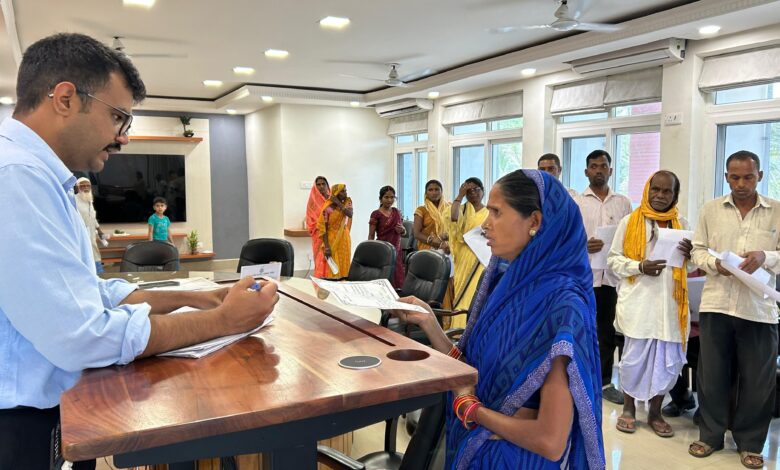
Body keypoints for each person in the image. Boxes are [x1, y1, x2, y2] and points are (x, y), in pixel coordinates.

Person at [0, 33, 279, 470]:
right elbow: (83, 336)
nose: (123, 138)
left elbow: (88, 292)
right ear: (65, 99)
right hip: (16, 428)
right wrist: (224, 321)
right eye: (118, 118)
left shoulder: (42, 178)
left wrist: (197, 298)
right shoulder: (15, 177)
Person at [390, 170, 605, 469]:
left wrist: (472, 410)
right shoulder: (508, 283)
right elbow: (473, 370)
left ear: (535, 221)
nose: (485, 225)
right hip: (481, 451)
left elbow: (550, 441)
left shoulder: (563, 306)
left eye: (496, 212)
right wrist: (429, 322)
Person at [689, 150, 780, 469]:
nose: (741, 184)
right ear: (726, 176)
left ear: (760, 176)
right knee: (712, 377)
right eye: (735, 177)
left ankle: (751, 443)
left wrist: (765, 257)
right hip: (717, 304)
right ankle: (710, 436)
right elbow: (697, 251)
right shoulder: (711, 209)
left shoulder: (777, 211)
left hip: (759, 309)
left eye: (748, 177)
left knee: (758, 381)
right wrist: (714, 263)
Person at [607, 171, 693, 437]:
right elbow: (613, 260)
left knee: (666, 361)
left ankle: (655, 413)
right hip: (639, 303)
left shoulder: (682, 224)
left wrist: (692, 255)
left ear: (675, 195)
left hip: (670, 306)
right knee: (634, 360)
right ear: (647, 189)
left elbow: (692, 266)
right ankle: (629, 409)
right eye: (655, 189)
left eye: (667, 191)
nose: (660, 195)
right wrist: (640, 266)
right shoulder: (630, 221)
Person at [575, 150, 633, 405]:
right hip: (583, 276)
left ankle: (605, 382)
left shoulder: (623, 203)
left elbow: (630, 238)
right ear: (586, 171)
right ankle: (578, 379)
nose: (598, 170)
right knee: (580, 329)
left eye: (603, 166)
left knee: (606, 332)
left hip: (611, 278)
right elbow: (567, 238)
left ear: (611, 170)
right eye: (594, 166)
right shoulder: (577, 203)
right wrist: (583, 246)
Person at [449, 177, 488, 327]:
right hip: (463, 256)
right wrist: (460, 195)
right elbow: (453, 218)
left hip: (481, 258)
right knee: (462, 292)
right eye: (469, 191)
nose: (473, 193)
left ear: (483, 191)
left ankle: (472, 329)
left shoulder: (489, 211)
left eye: (476, 189)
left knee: (476, 293)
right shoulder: (462, 209)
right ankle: (457, 328)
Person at [368, 185, 406, 288]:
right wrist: (370, 251)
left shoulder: (396, 212)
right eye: (386, 197)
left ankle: (398, 295)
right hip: (382, 249)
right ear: (380, 199)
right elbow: (371, 234)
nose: (389, 200)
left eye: (392, 197)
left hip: (396, 249)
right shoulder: (376, 214)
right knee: (384, 275)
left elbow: (403, 232)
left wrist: (402, 230)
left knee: (397, 275)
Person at [317, 183, 353, 278]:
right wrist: (326, 246)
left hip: (343, 238)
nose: (345, 193)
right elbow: (323, 226)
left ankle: (344, 282)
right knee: (332, 264)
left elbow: (350, 214)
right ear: (336, 193)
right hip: (331, 238)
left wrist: (338, 203)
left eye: (345, 191)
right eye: (342, 191)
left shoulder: (348, 202)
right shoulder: (328, 206)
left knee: (344, 261)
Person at [75, 177, 107, 274]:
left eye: (87, 185)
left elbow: (92, 217)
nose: (85, 187)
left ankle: (99, 273)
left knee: (94, 251)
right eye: (82, 186)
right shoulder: (73, 200)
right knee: (83, 253)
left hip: (91, 233)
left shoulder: (89, 199)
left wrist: (99, 230)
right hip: (80, 233)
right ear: (77, 187)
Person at [413, 179, 451, 253]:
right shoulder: (421, 210)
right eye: (430, 190)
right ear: (426, 193)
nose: (434, 193)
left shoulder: (450, 207)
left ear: (441, 191)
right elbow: (417, 234)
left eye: (437, 189)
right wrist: (436, 242)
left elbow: (456, 227)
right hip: (428, 247)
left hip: (449, 246)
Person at [306, 176, 330, 277]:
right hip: (318, 235)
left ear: (327, 185)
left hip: (332, 235)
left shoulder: (333, 200)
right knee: (320, 260)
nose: (321, 186)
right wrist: (320, 224)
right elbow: (309, 218)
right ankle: (319, 281)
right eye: (318, 185)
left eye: (323, 184)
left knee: (331, 262)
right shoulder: (313, 202)